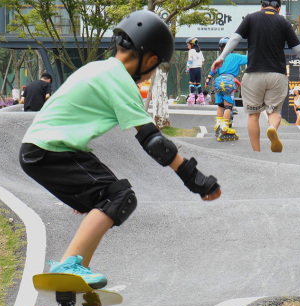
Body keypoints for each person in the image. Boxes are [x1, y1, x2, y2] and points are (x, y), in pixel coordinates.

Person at [18, 10, 221, 288]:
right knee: (120, 196)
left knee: (108, 197)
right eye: (155, 67)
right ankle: (69, 267)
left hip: (45, 148)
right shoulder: (119, 78)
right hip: (51, 149)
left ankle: (76, 275)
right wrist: (193, 179)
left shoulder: (97, 68)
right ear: (150, 59)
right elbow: (154, 142)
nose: (148, 75)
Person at [211, 0, 300, 152]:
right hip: (277, 74)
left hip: (253, 74)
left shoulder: (250, 18)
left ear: (261, 6)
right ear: (278, 9)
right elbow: (299, 49)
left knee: (253, 115)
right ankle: (272, 128)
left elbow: (235, 38)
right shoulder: (283, 22)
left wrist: (221, 57)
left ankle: (257, 152)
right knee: (274, 113)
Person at [205, 36, 247, 141]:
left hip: (218, 82)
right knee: (228, 107)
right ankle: (224, 128)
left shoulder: (219, 59)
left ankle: (218, 125)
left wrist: (208, 80)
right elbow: (250, 58)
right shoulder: (237, 57)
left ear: (220, 48)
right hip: (228, 82)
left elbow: (212, 71)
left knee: (220, 105)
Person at [186, 37, 206, 105]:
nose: (188, 46)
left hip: (193, 69)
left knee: (191, 83)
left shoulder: (191, 51)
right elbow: (203, 60)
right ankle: (201, 98)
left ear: (192, 44)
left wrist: (187, 69)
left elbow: (190, 60)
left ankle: (191, 98)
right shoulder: (200, 51)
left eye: (188, 45)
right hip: (199, 69)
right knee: (198, 84)